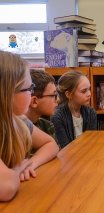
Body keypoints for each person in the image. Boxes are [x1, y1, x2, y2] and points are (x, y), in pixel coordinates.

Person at [0, 51, 59, 201]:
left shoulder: (17, 122)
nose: (31, 93)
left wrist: (31, 164)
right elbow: (5, 188)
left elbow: (50, 144)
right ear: (7, 94)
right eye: (28, 89)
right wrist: (17, 169)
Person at [51, 70, 97, 149]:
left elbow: (92, 142)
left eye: (89, 89)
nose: (89, 94)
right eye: (84, 91)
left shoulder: (91, 112)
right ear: (69, 94)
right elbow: (64, 148)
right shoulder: (57, 116)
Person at [25, 69, 58, 144]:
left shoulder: (47, 125)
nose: (58, 99)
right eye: (54, 95)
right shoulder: (17, 130)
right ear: (34, 101)